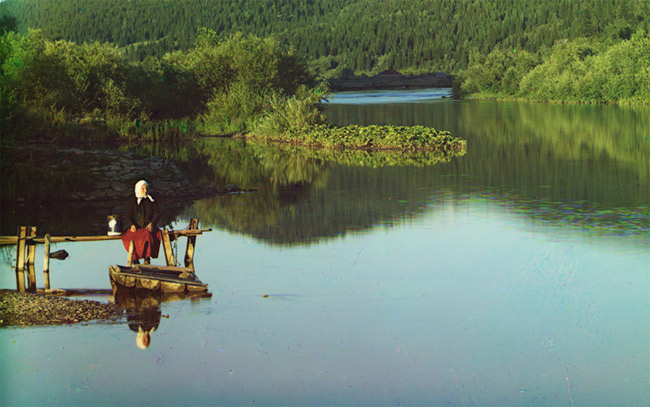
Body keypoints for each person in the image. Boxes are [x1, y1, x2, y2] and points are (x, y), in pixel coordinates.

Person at [122, 180, 161, 265]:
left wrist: (151, 223)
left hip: (148, 226)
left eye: (146, 188)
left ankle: (147, 258)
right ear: (139, 189)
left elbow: (157, 214)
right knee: (130, 237)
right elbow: (127, 215)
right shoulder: (132, 200)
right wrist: (131, 225)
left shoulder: (151, 200)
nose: (145, 190)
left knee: (148, 235)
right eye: (143, 188)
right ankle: (135, 259)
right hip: (136, 227)